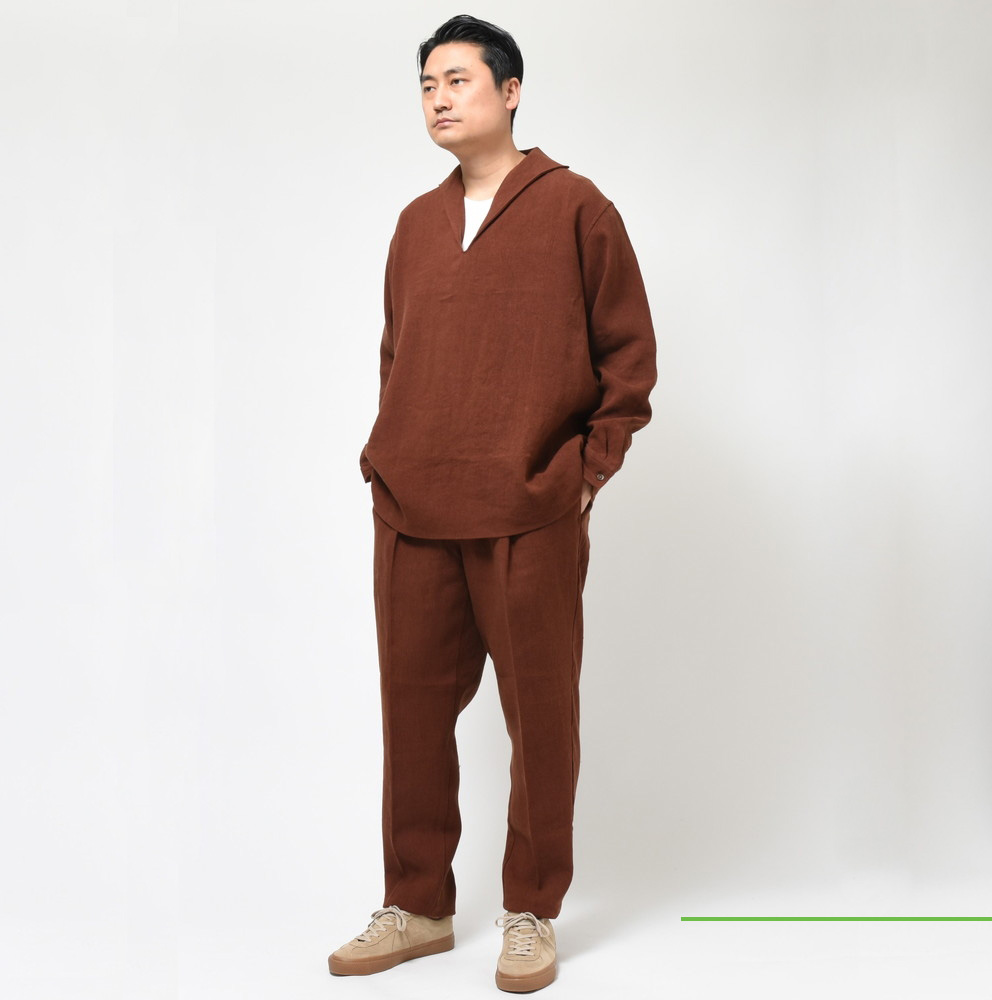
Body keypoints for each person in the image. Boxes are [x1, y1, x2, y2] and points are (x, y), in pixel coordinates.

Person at [329, 13, 657, 993]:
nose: (438, 98)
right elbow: (397, 356)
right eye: (426, 84)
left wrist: (581, 476)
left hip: (529, 509)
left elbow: (627, 360)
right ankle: (417, 904)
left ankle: (530, 911)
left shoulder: (576, 209)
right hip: (412, 509)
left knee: (539, 717)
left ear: (510, 92)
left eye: (458, 80)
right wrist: (386, 461)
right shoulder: (414, 225)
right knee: (412, 716)